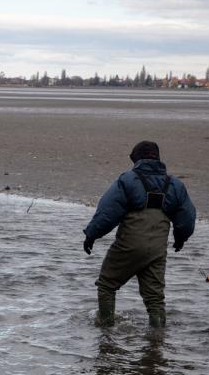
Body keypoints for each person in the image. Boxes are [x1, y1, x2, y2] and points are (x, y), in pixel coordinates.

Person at [83, 140, 196, 328]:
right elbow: (187, 217)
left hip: (129, 245)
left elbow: (108, 211)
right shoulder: (175, 185)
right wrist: (180, 238)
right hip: (157, 249)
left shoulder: (127, 180)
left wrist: (91, 234)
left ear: (136, 159)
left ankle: (105, 330)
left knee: (106, 285)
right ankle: (157, 340)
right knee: (155, 297)